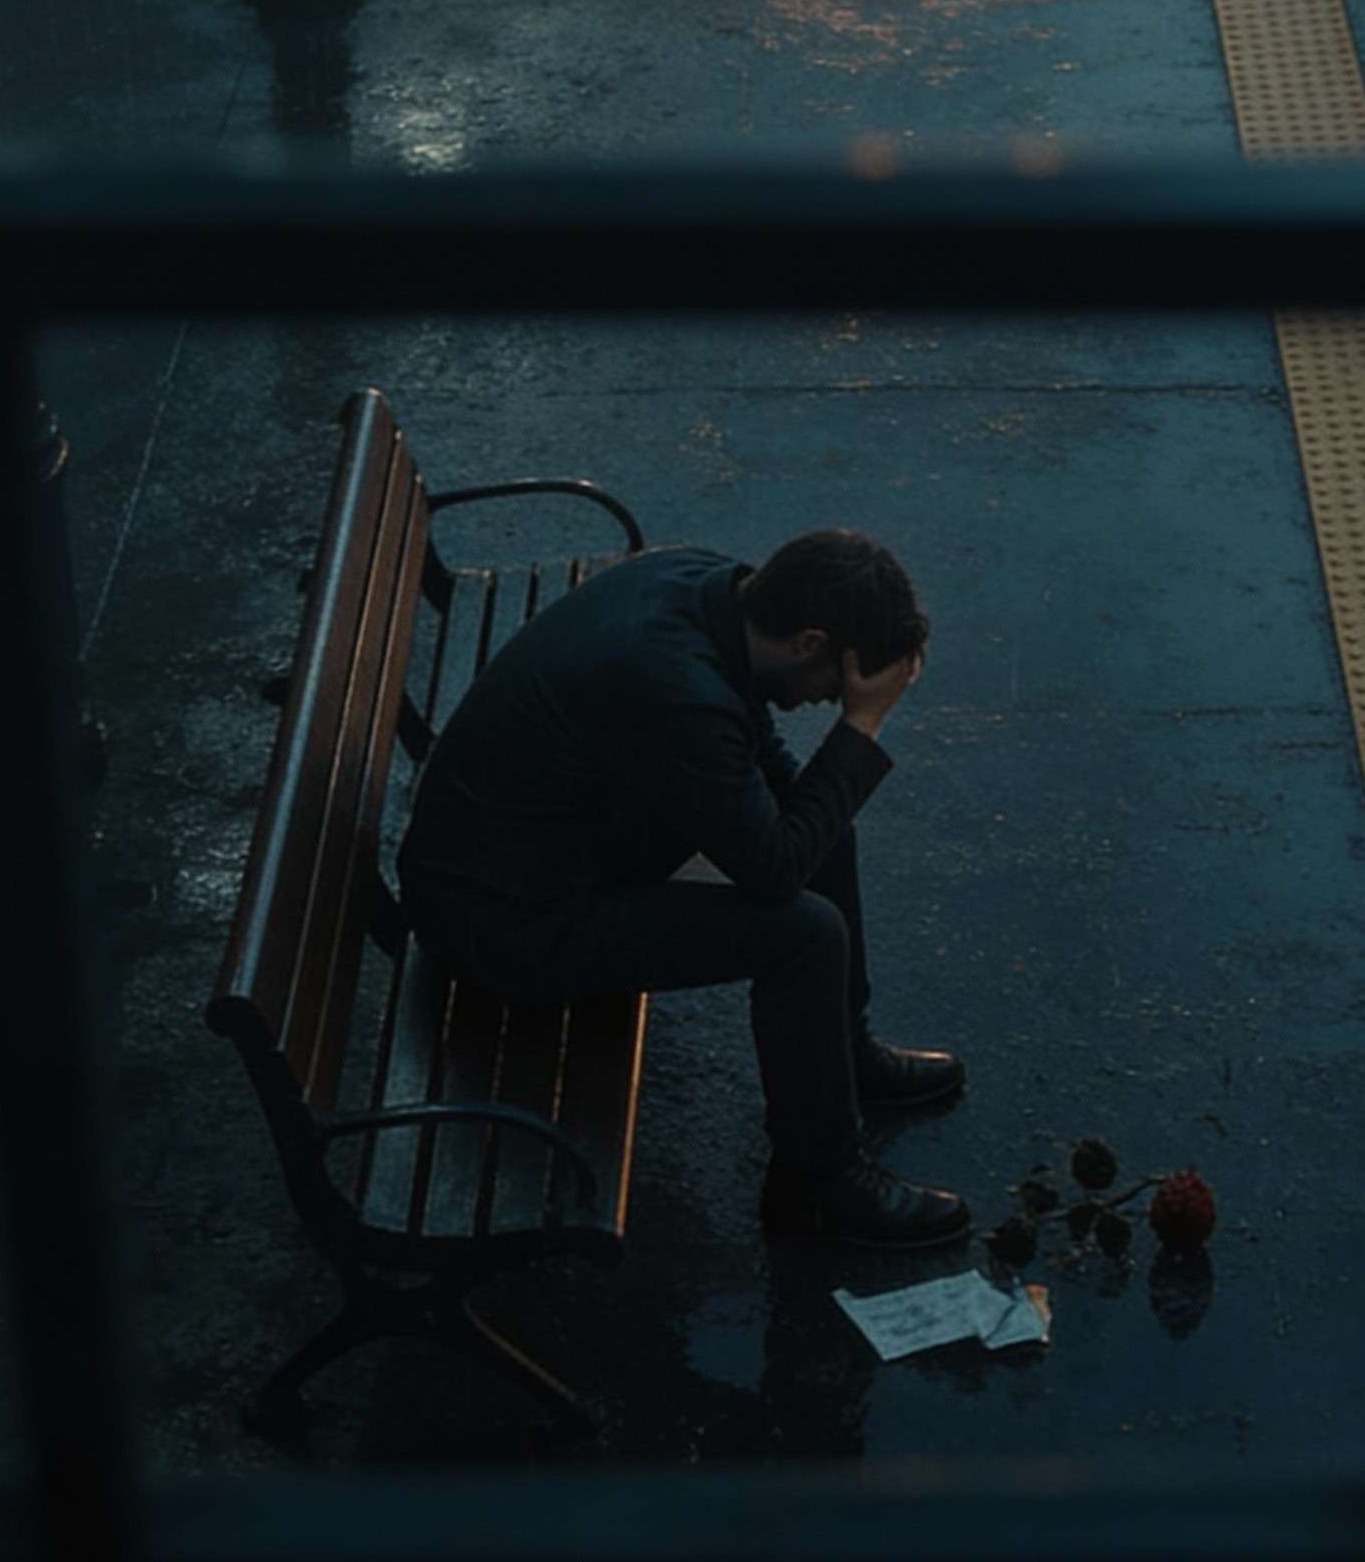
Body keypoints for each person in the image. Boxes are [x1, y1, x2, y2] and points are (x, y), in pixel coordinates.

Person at [398, 526, 970, 1249]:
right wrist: (865, 725)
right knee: (804, 936)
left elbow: (768, 775)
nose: (831, 702)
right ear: (809, 642)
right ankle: (817, 1184)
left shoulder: (706, 586)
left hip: (531, 858)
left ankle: (844, 1056)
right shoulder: (676, 691)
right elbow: (773, 870)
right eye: (837, 685)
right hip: (505, 927)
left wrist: (830, 777)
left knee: (823, 821)